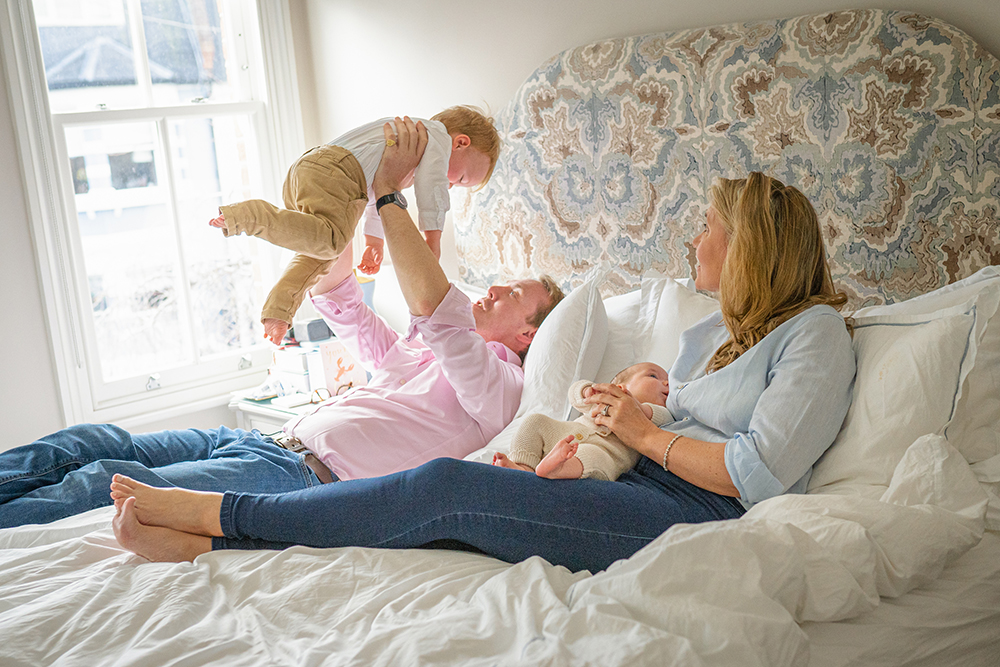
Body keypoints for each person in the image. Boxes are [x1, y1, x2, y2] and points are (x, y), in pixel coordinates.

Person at [110, 122, 856, 575]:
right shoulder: (718, 337)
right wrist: (611, 420)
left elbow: (757, 471)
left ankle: (221, 515)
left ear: (752, 244)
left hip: (687, 513)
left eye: (710, 227)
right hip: (632, 482)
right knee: (453, 509)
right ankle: (215, 548)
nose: (696, 238)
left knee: (443, 487)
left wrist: (643, 431)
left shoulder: (816, 333)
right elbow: (662, 426)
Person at [0, 117, 562, 530]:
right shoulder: (419, 351)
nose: (493, 288)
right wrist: (353, 201)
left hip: (297, 480)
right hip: (267, 441)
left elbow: (438, 314)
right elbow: (341, 300)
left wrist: (391, 190)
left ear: (528, 335)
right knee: (96, 442)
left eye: (512, 292)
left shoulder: (501, 392)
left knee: (101, 481)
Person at [210, 105, 501, 344]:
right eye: (461, 179)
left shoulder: (409, 150)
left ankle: (279, 310)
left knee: (323, 251)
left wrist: (374, 242)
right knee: (333, 242)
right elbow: (432, 192)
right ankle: (250, 216)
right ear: (461, 142)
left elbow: (380, 191)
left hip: (316, 172)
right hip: (338, 173)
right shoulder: (433, 136)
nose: (451, 185)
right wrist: (433, 240)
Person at [493, 362, 671, 480]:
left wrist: (640, 409)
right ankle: (523, 468)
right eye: (654, 377)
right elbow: (575, 396)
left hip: (607, 452)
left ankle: (557, 469)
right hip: (566, 435)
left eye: (669, 381)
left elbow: (664, 420)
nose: (666, 384)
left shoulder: (660, 415)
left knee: (593, 457)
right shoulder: (605, 398)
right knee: (534, 421)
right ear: (619, 387)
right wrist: (588, 391)